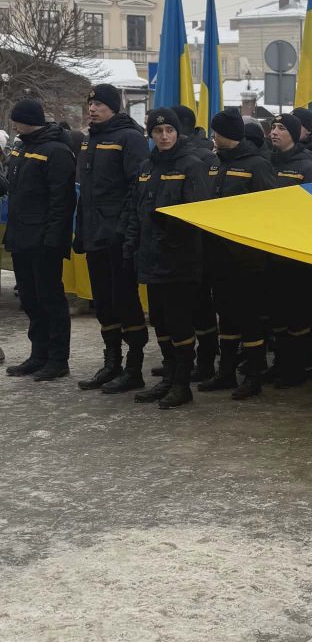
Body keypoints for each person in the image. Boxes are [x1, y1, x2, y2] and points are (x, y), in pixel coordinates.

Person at [122, 108, 212, 409]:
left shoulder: (191, 165)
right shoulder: (146, 167)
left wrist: (168, 230)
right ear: (151, 134)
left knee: (179, 323)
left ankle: (182, 384)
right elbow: (136, 211)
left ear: (177, 133)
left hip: (179, 261)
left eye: (169, 131)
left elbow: (198, 215)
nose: (163, 136)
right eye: (158, 132)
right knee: (159, 321)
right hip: (150, 259)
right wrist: (131, 245)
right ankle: (169, 376)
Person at [74, 84, 151, 394]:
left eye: (99, 105)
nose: (92, 109)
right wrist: (82, 230)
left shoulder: (129, 138)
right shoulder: (90, 139)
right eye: (90, 104)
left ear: (113, 108)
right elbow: (87, 193)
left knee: (125, 301)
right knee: (103, 303)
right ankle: (112, 363)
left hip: (117, 237)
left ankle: (134, 368)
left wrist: (125, 232)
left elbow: (137, 189)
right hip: (94, 234)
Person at [198, 111, 277, 400]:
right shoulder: (214, 163)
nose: (212, 137)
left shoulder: (257, 165)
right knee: (226, 317)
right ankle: (226, 371)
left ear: (225, 134)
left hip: (247, 259)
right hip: (217, 256)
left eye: (215, 132)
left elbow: (269, 210)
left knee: (249, 318)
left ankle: (253, 375)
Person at [3, 99, 76, 380]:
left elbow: (62, 200)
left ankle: (58, 359)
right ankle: (39, 354)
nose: (14, 126)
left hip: (44, 240)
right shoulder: (23, 148)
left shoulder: (56, 150)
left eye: (16, 120)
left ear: (26, 120)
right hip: (21, 237)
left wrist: (52, 239)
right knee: (31, 299)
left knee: (50, 299)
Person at [267, 113, 312, 386]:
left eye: (281, 128)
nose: (274, 132)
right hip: (271, 249)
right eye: (273, 127)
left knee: (298, 313)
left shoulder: (308, 167)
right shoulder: (267, 162)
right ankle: (281, 362)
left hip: (298, 252)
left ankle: (299, 366)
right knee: (277, 312)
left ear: (294, 133)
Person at [172, 105, 219, 381]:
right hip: (180, 246)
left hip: (195, 245)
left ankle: (204, 363)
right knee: (187, 309)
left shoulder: (200, 158)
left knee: (200, 308)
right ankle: (189, 362)